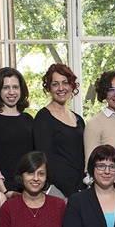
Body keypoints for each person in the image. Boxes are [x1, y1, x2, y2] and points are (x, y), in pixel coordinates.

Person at [0, 67, 34, 198]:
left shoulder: (27, 119)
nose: (11, 92)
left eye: (15, 87)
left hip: (28, 186)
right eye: (6, 87)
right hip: (3, 189)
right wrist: (4, 190)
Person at [33, 63, 86, 197]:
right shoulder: (43, 118)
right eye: (55, 84)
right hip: (57, 189)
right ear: (49, 88)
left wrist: (81, 187)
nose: (61, 88)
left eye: (65, 83)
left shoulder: (78, 119)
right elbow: (46, 159)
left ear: (72, 86)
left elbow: (83, 156)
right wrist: (70, 191)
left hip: (81, 187)